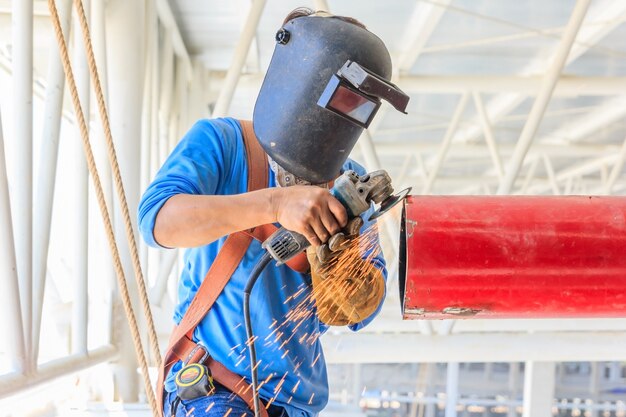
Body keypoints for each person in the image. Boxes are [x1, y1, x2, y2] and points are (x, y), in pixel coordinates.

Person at [138, 7, 407, 417]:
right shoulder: (224, 143)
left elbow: (360, 311)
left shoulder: (350, 185)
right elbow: (158, 221)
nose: (343, 112)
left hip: (296, 405)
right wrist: (275, 204)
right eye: (341, 96)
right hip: (215, 389)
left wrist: (339, 262)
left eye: (356, 105)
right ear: (300, 78)